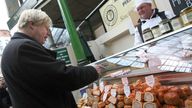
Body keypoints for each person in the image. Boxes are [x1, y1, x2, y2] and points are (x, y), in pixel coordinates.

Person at [1, 9, 103, 108]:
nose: (49, 33)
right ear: (31, 25)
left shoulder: (12, 48)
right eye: (46, 28)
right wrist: (93, 70)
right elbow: (62, 76)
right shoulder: (23, 47)